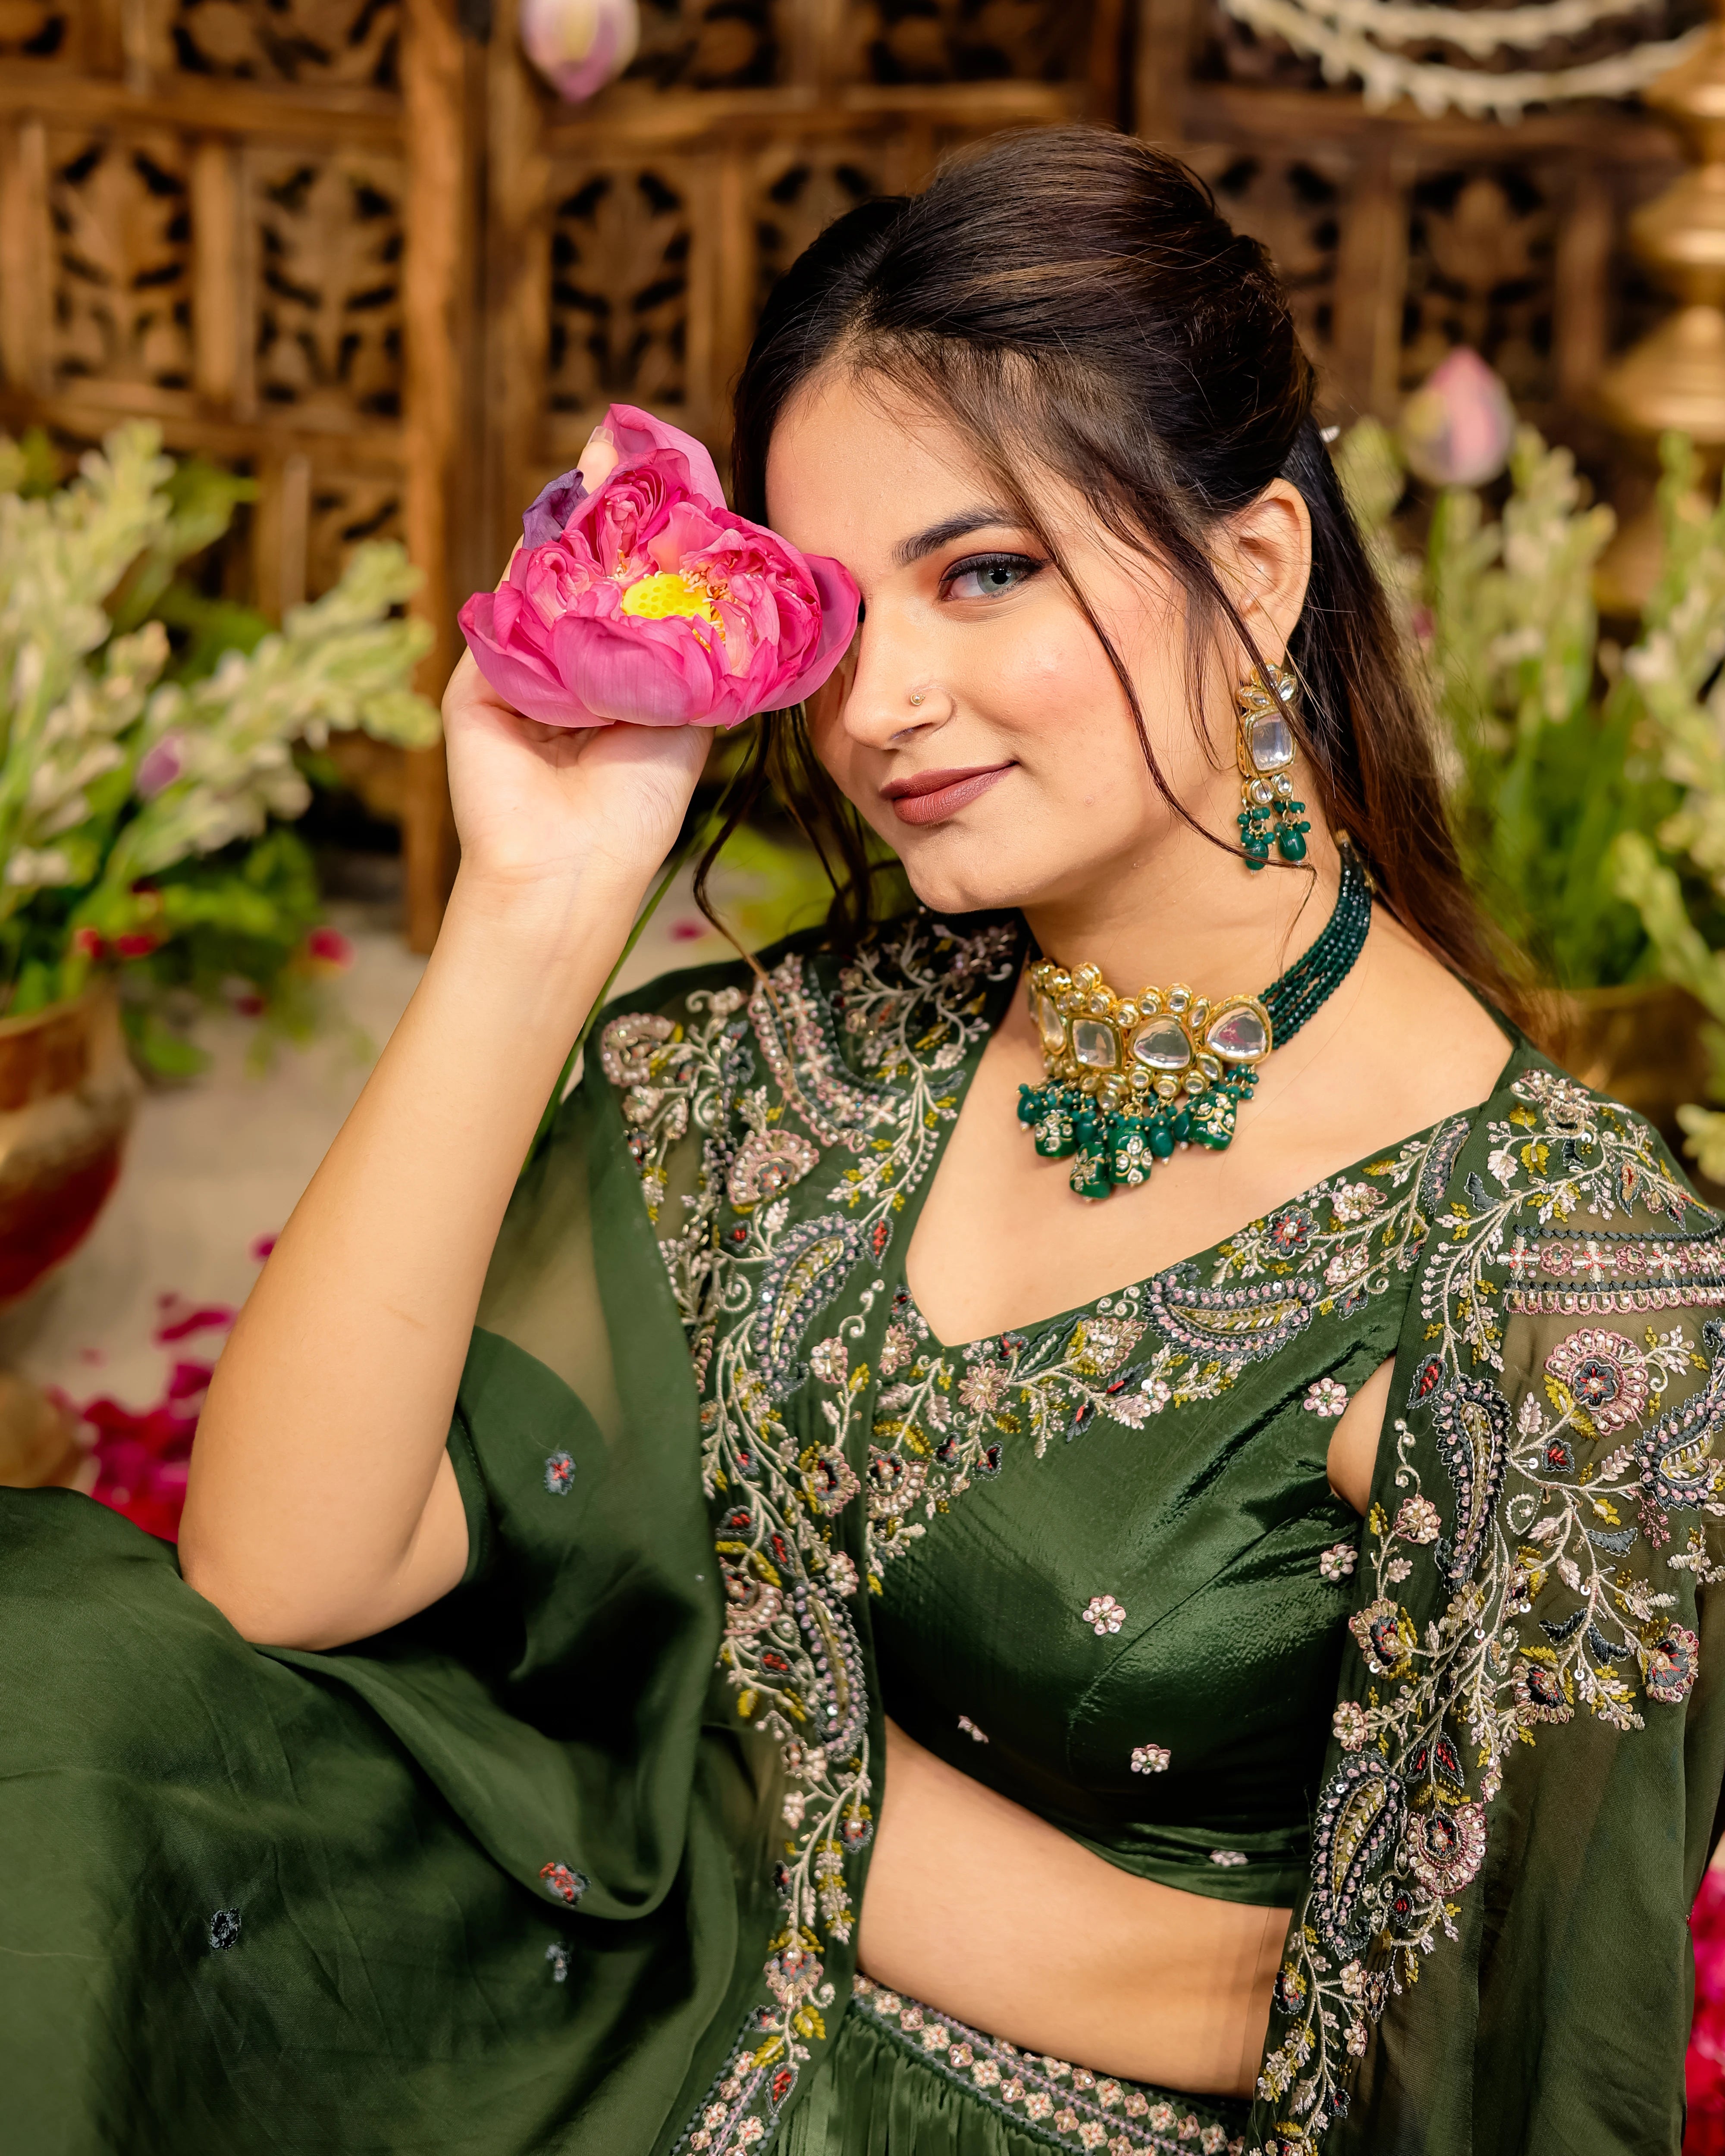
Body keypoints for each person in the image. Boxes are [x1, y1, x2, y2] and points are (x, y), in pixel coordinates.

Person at [2, 127, 1720, 2156]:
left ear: (1252, 569)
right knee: (58, 1713)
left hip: (1000, 2114)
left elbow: (1423, 2032)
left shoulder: (1558, 1286)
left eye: (983, 571)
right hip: (636, 1958)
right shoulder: (818, 1058)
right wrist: (537, 905)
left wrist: (708, 1711)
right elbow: (286, 1560)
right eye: (836, 606)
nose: (879, 701)